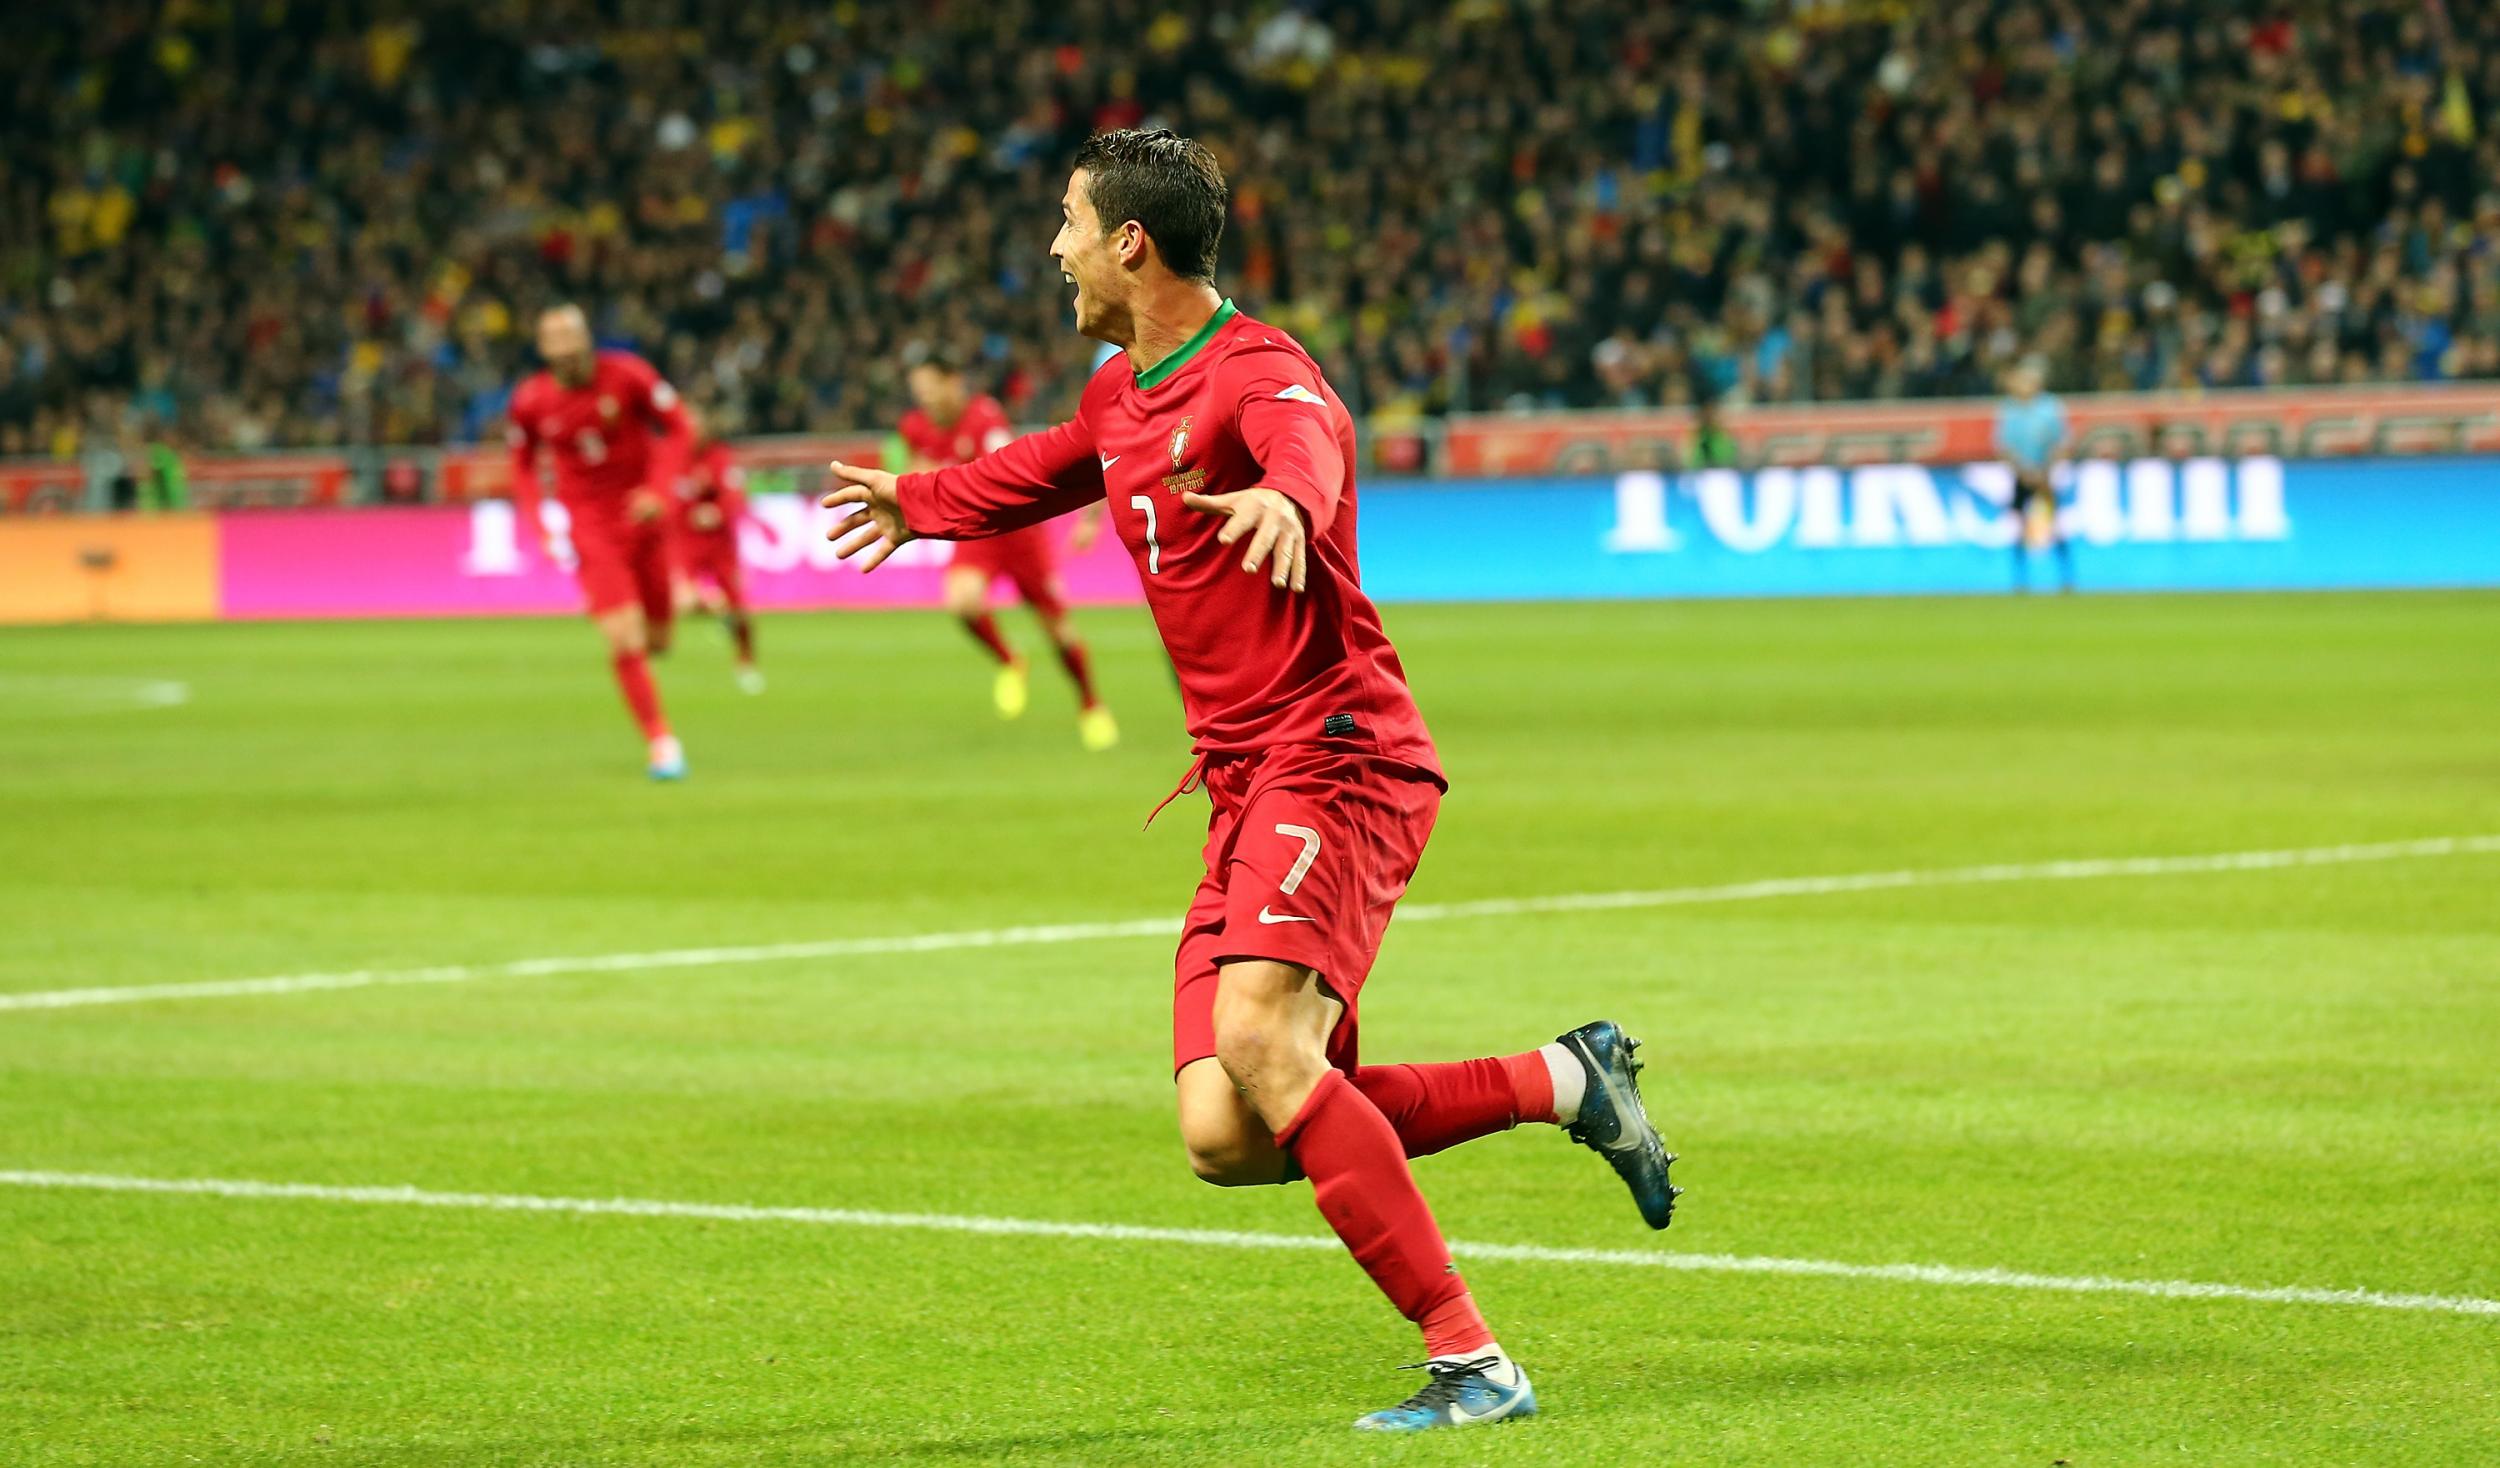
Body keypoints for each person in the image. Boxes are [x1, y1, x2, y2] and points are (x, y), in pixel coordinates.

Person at [821, 128, 1678, 1434]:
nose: (1052, 248)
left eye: (1065, 221)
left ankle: (1474, 1362)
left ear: (1129, 243)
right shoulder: (1126, 391)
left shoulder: (1257, 371)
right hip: (1244, 782)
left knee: (1265, 1041)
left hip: (1336, 753)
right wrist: (920, 500)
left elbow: (1311, 439)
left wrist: (1290, 500)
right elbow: (1050, 465)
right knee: (1229, 1128)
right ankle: (1566, 1083)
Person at [507, 304, 696, 779]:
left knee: (659, 639)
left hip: (644, 517)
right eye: (557, 349)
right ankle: (661, 742)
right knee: (623, 635)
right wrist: (540, 524)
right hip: (591, 527)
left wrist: (659, 488)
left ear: (586, 341)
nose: (568, 357)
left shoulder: (628, 375)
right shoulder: (531, 401)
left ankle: (639, 669)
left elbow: (679, 427)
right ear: (545, 352)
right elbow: (523, 466)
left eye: (573, 345)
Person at [899, 355, 1118, 751]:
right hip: (980, 534)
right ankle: (1010, 659)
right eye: (919, 391)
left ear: (954, 382)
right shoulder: (914, 427)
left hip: (1020, 533)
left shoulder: (985, 417)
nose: (926, 398)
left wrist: (1088, 520)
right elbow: (918, 466)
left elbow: (1004, 472)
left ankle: (1090, 704)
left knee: (1060, 634)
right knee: (962, 604)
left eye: (931, 387)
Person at [672, 410, 763, 694]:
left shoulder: (719, 457)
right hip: (686, 542)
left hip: (720, 544)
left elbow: (735, 494)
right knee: (684, 602)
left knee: (739, 611)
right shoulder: (672, 457)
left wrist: (716, 511)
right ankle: (717, 609)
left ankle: (746, 663)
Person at [1995, 356, 2075, 592]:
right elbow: (2003, 447)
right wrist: (2023, 471)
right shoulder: (2009, 409)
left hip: (2044, 475)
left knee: (2054, 525)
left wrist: (2045, 471)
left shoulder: (2050, 408)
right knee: (2019, 527)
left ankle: (2066, 577)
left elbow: (2061, 443)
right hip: (2022, 476)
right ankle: (2020, 579)